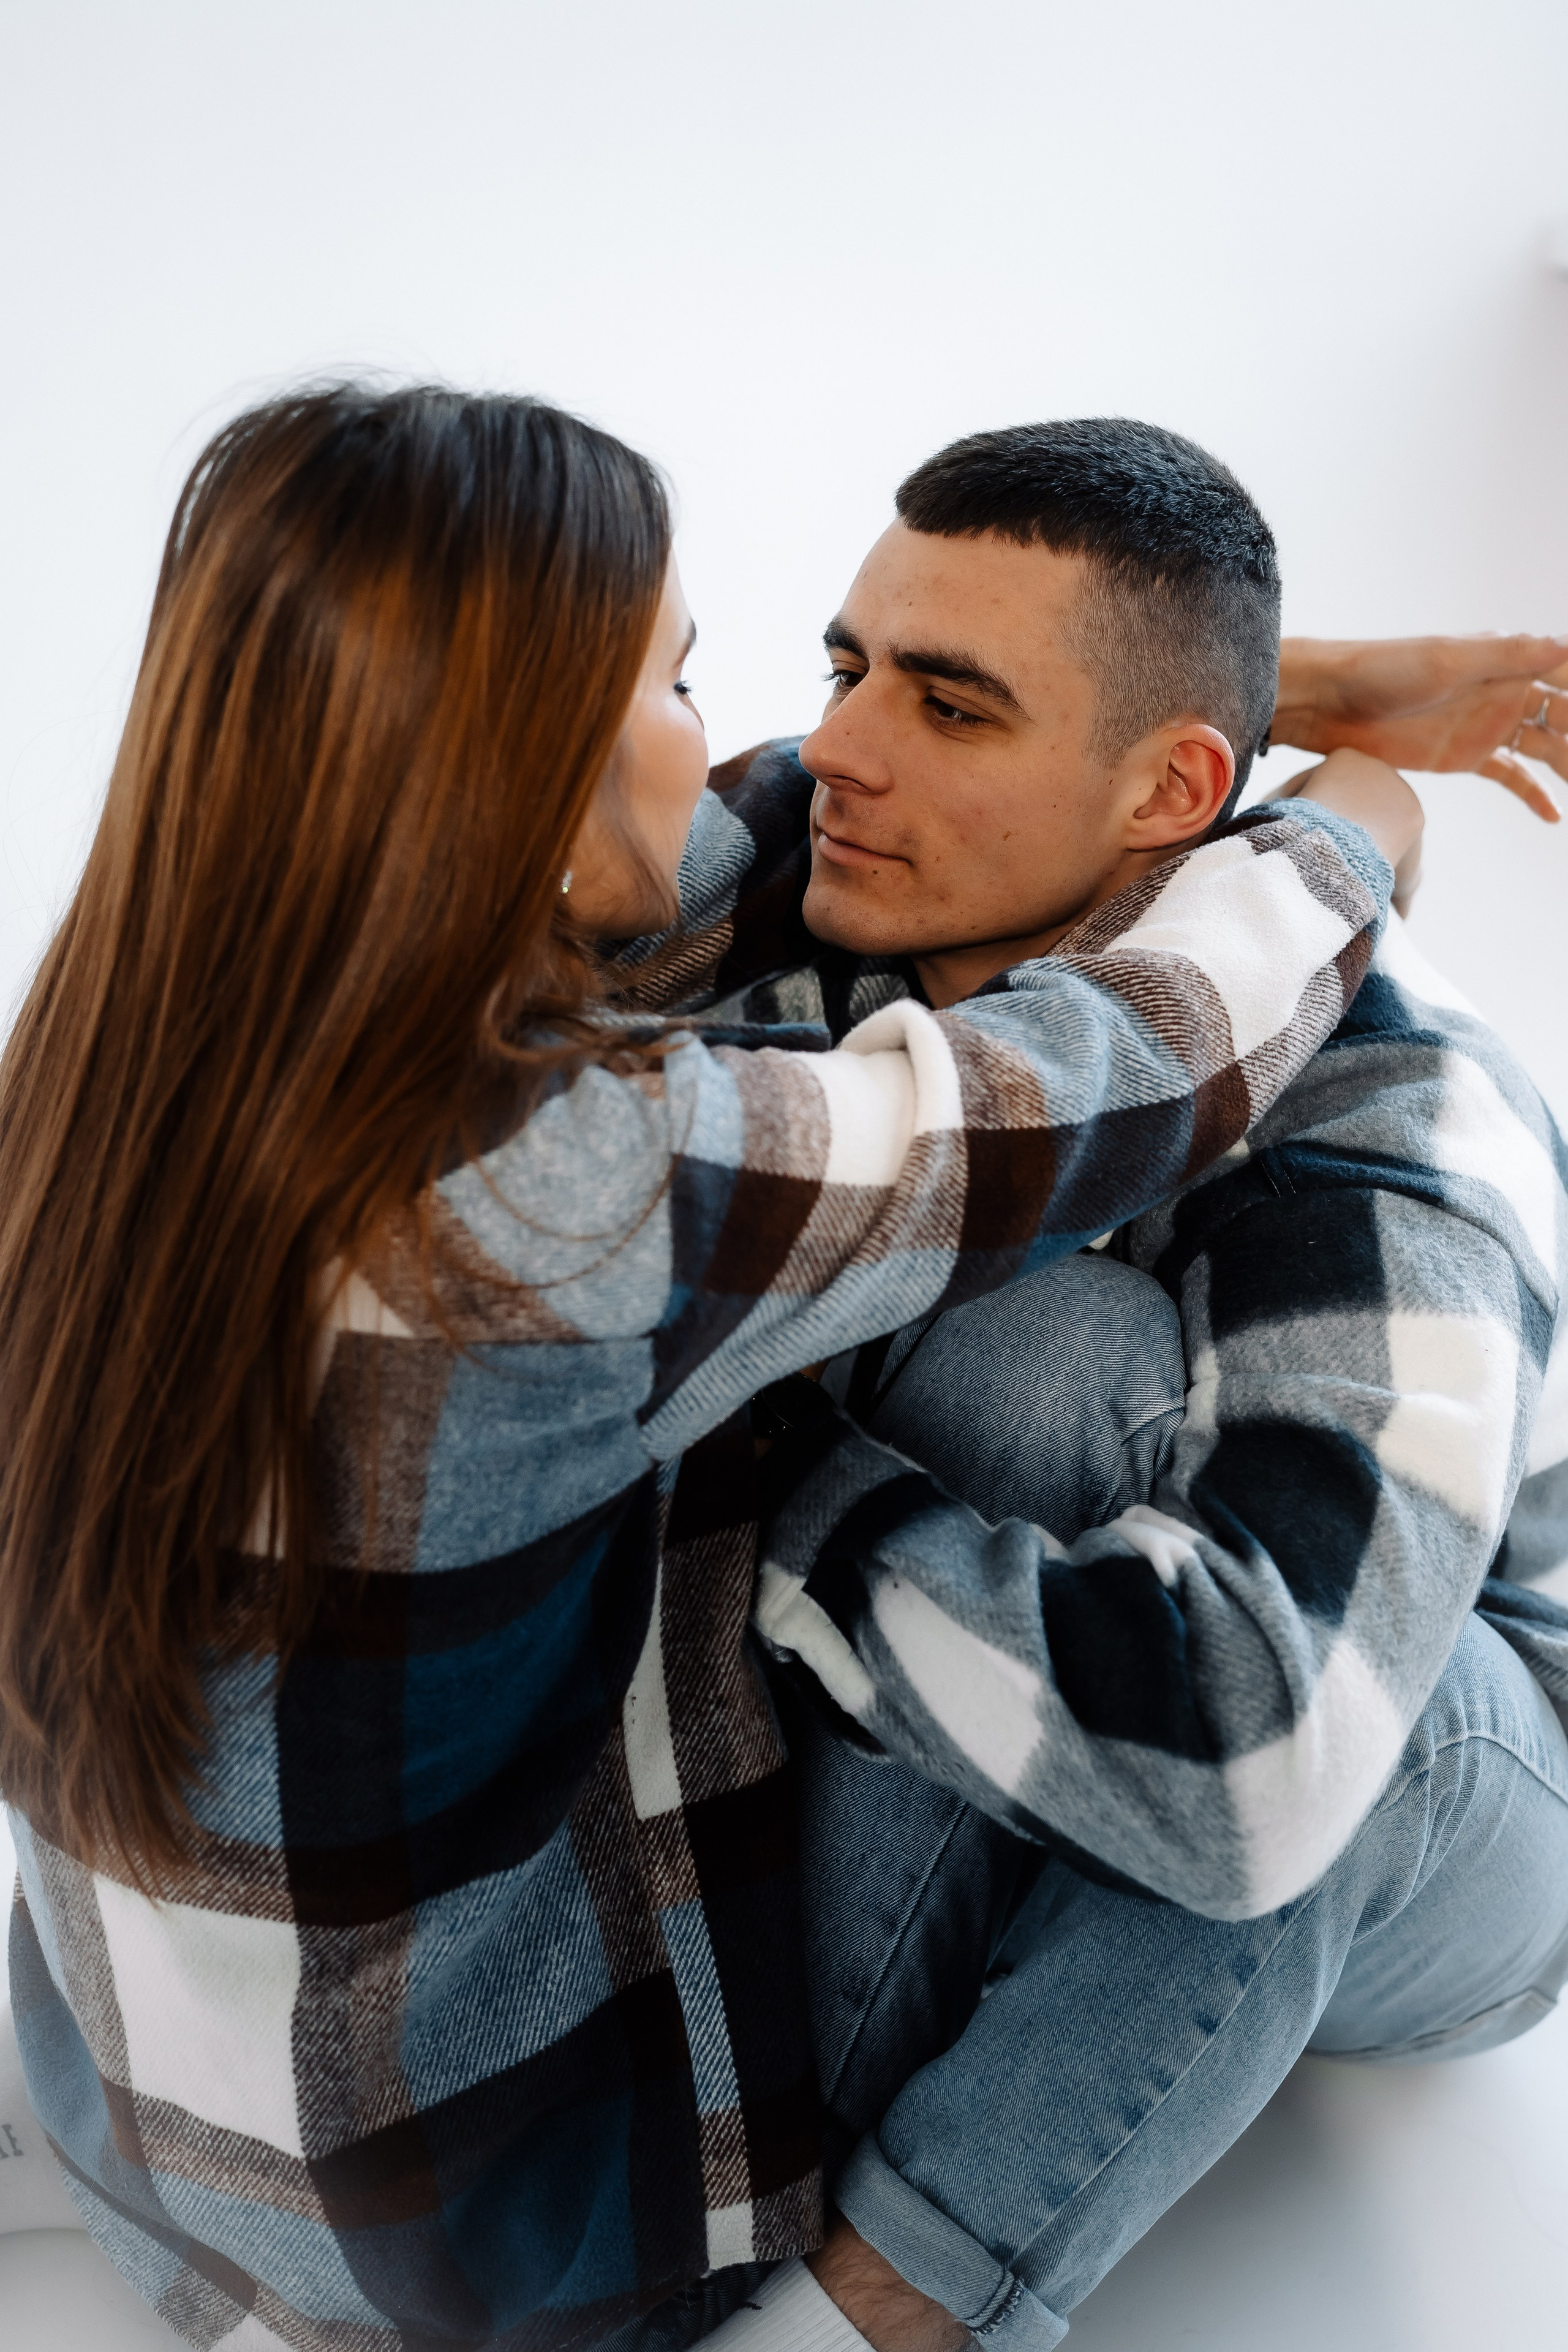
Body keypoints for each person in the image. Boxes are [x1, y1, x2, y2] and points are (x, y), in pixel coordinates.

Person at [0, 385, 1539, 2352]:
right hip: (510, 2242)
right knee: (1117, 1443)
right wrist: (1355, 818)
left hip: (169, 2169)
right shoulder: (565, 1188)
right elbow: (1123, 1065)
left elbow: (714, 826)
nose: (809, 754)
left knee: (1349, 1677)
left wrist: (1263, 701)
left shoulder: (108, 1077)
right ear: (509, 766)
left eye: (943, 700)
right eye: (691, 678)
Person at [631, 421, 1568, 2351]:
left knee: (1068, 1386)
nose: (844, 754)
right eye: (844, 669)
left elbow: (1264, 1766)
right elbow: (515, 889)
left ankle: (865, 2308)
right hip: (1091, 1650)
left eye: (953, 705)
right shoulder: (857, 883)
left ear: (1172, 794)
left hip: (1463, 1762)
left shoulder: (1395, 1116)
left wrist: (756, 1483)